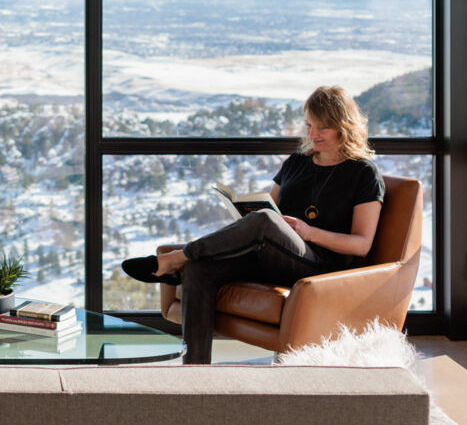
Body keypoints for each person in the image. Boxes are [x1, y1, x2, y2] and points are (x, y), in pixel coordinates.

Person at [121, 85, 386, 364]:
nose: (312, 134)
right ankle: (195, 370)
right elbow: (269, 209)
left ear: (343, 126)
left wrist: (309, 233)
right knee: (200, 268)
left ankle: (178, 258)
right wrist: (245, 215)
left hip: (319, 267)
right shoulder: (297, 162)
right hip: (274, 255)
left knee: (262, 221)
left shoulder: (363, 173)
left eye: (323, 128)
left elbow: (362, 244)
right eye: (309, 125)